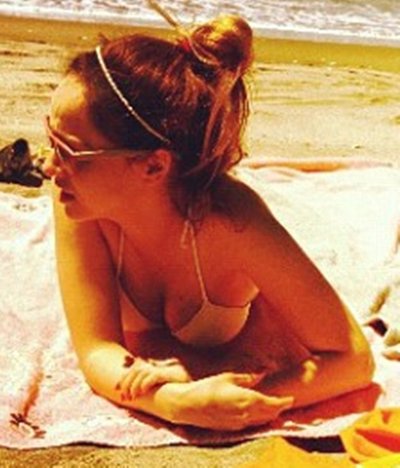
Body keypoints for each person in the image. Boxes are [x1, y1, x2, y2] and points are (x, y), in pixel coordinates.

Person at [43, 13, 374, 431]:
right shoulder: (78, 200)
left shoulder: (234, 224)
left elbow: (353, 359)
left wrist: (251, 399)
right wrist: (176, 402)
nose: (48, 165)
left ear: (153, 166)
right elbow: (96, 349)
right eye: (49, 138)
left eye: (68, 151)